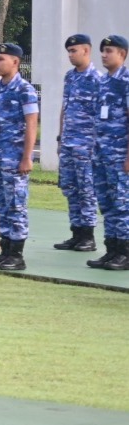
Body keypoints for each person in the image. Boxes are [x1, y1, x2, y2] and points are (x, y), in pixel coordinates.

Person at [0, 41, 39, 271]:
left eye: (1, 59)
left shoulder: (24, 89)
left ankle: (17, 255)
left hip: (15, 157)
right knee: (0, 203)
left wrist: (27, 157)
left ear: (15, 62)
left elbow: (32, 124)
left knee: (16, 204)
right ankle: (5, 252)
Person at [55, 33, 101, 252]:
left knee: (86, 190)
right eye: (69, 52)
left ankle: (88, 236)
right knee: (70, 188)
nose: (71, 55)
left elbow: (102, 116)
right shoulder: (70, 77)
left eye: (74, 51)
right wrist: (60, 137)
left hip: (87, 145)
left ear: (87, 50)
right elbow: (65, 109)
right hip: (68, 143)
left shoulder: (97, 79)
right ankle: (76, 233)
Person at [89, 35, 129, 270]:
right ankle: (112, 250)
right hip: (102, 156)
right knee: (107, 204)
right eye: (102, 50)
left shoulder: (126, 82)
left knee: (123, 204)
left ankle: (124, 253)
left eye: (109, 51)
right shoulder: (103, 82)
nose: (104, 54)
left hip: (119, 156)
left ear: (122, 54)